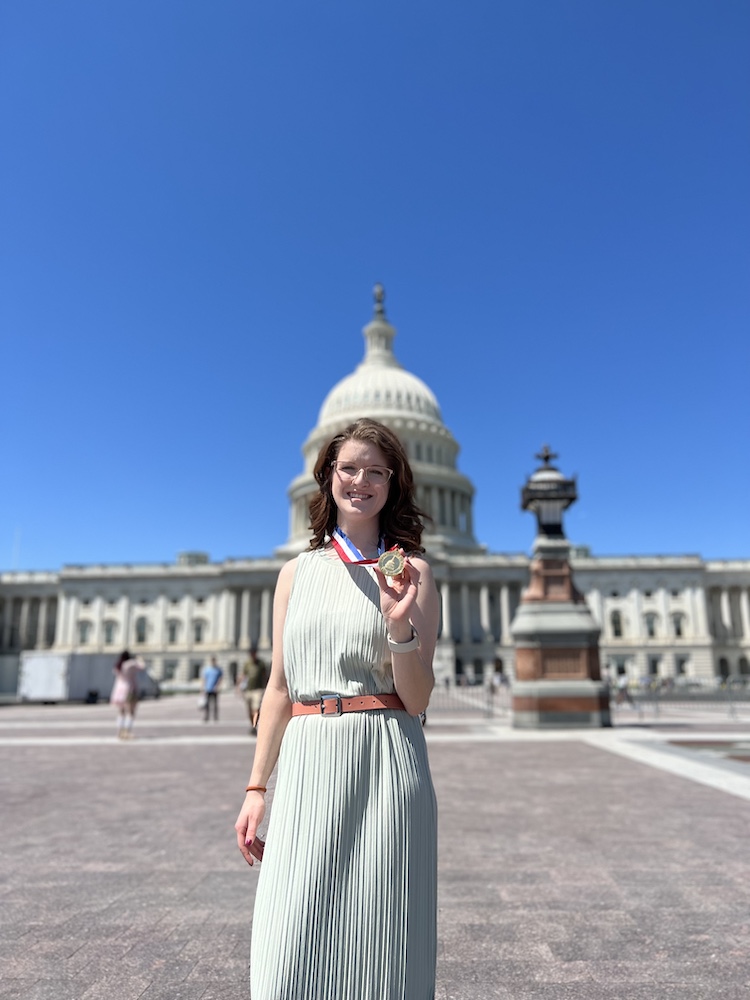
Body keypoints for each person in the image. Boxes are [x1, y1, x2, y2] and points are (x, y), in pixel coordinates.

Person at [234, 417, 439, 1000]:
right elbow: (278, 687)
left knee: (384, 944)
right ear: (325, 478)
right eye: (349, 468)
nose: (361, 481)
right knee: (287, 950)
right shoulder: (294, 574)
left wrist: (399, 626)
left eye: (376, 471)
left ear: (393, 483)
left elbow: (419, 699)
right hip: (308, 758)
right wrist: (255, 789)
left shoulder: (413, 573)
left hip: (385, 759)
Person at [110, 650, 146, 739]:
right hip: (129, 689)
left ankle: (120, 732)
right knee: (130, 712)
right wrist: (140, 659)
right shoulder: (130, 664)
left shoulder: (118, 666)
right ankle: (127, 732)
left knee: (121, 712)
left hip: (118, 690)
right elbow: (142, 667)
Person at [237, 648, 268, 735]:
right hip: (248, 690)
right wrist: (238, 686)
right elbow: (243, 675)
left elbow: (265, 676)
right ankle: (252, 725)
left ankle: (255, 725)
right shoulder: (247, 664)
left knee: (256, 708)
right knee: (249, 710)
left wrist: (267, 687)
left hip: (257, 689)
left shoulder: (261, 663)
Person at [201, 656, 223, 723]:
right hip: (208, 688)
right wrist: (202, 687)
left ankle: (215, 717)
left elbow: (220, 678)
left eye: (214, 661)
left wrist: (217, 686)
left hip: (215, 689)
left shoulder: (218, 670)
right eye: (212, 661)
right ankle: (206, 716)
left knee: (215, 704)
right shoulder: (207, 669)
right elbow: (204, 679)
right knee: (207, 704)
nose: (213, 662)